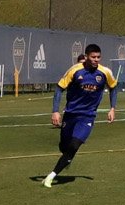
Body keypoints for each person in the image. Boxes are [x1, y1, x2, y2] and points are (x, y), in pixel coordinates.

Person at [42, 44, 119, 188]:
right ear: (86, 56)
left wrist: (112, 108)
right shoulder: (75, 70)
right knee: (65, 147)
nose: (96, 60)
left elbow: (114, 88)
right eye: (93, 57)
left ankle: (51, 176)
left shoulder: (105, 72)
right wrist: (55, 111)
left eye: (98, 57)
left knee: (75, 144)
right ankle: (67, 157)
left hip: (87, 116)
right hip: (70, 114)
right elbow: (59, 89)